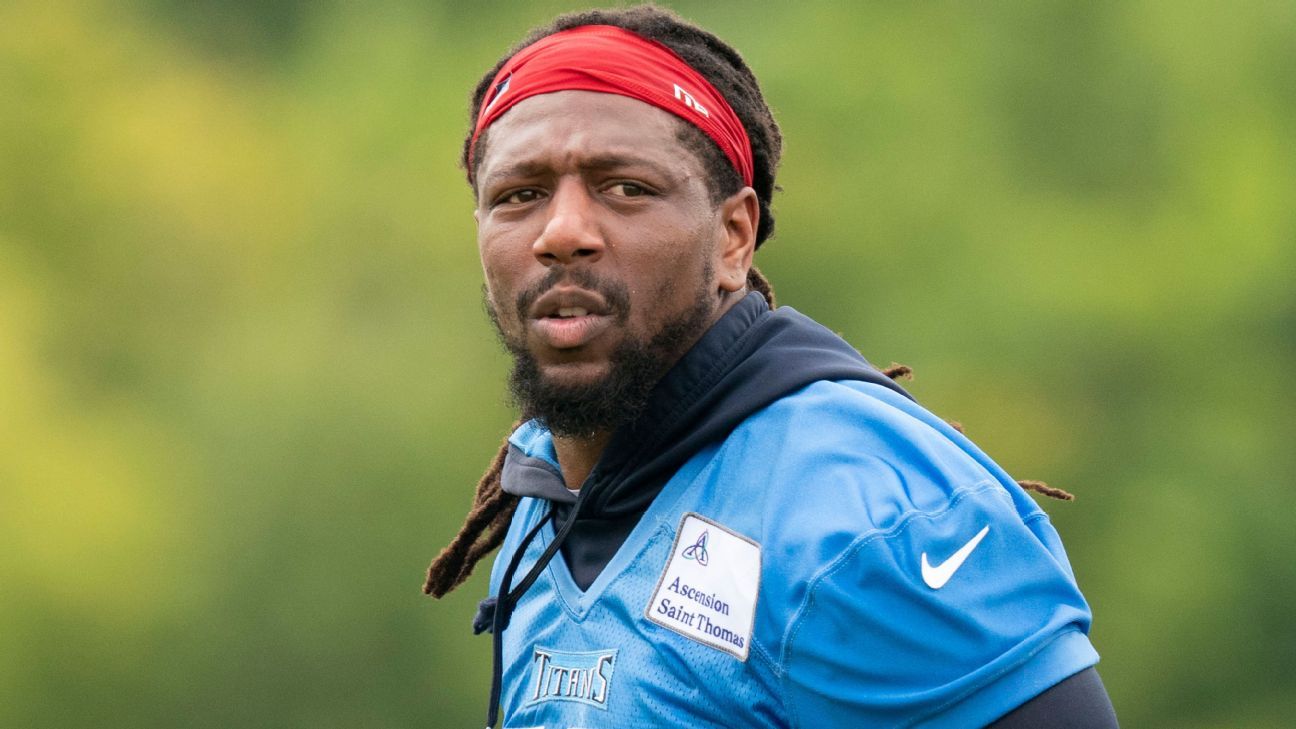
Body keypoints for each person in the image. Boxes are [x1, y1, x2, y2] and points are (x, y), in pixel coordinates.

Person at [424, 6, 1118, 727]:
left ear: (734, 237)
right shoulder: (544, 491)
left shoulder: (858, 509)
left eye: (625, 187)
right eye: (519, 196)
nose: (562, 231)